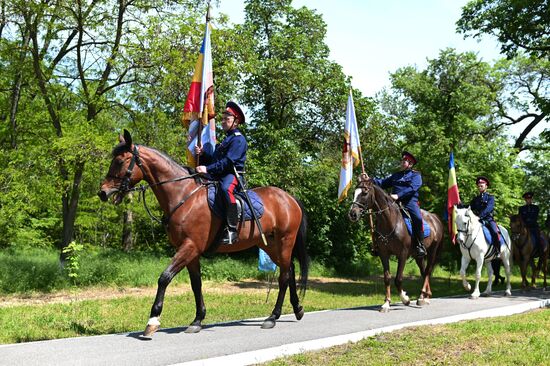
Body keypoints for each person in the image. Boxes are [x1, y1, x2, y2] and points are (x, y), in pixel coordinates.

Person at [195, 101, 247, 245]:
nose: (223, 122)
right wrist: (204, 154)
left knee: (225, 189)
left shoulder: (238, 139)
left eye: (227, 119)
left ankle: (231, 230)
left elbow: (228, 162)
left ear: (235, 122)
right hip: (220, 174)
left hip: (232, 175)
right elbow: (215, 160)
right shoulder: (226, 140)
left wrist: (207, 169)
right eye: (223, 119)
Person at [372, 151, 426, 258]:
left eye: (405, 161)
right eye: (402, 160)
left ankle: (420, 245)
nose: (402, 162)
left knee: (418, 218)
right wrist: (370, 179)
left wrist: (398, 195)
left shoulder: (416, 175)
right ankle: (377, 243)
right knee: (380, 215)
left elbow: (412, 188)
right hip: (394, 202)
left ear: (410, 164)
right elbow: (382, 183)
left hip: (410, 202)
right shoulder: (396, 175)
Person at [470, 176, 500, 253]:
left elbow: (489, 208)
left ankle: (497, 250)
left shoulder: (490, 197)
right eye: (479, 186)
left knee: (494, 231)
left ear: (486, 186)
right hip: (477, 220)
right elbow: (470, 207)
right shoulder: (476, 199)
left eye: (481, 185)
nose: (480, 187)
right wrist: (460, 204)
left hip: (488, 220)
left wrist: (479, 216)